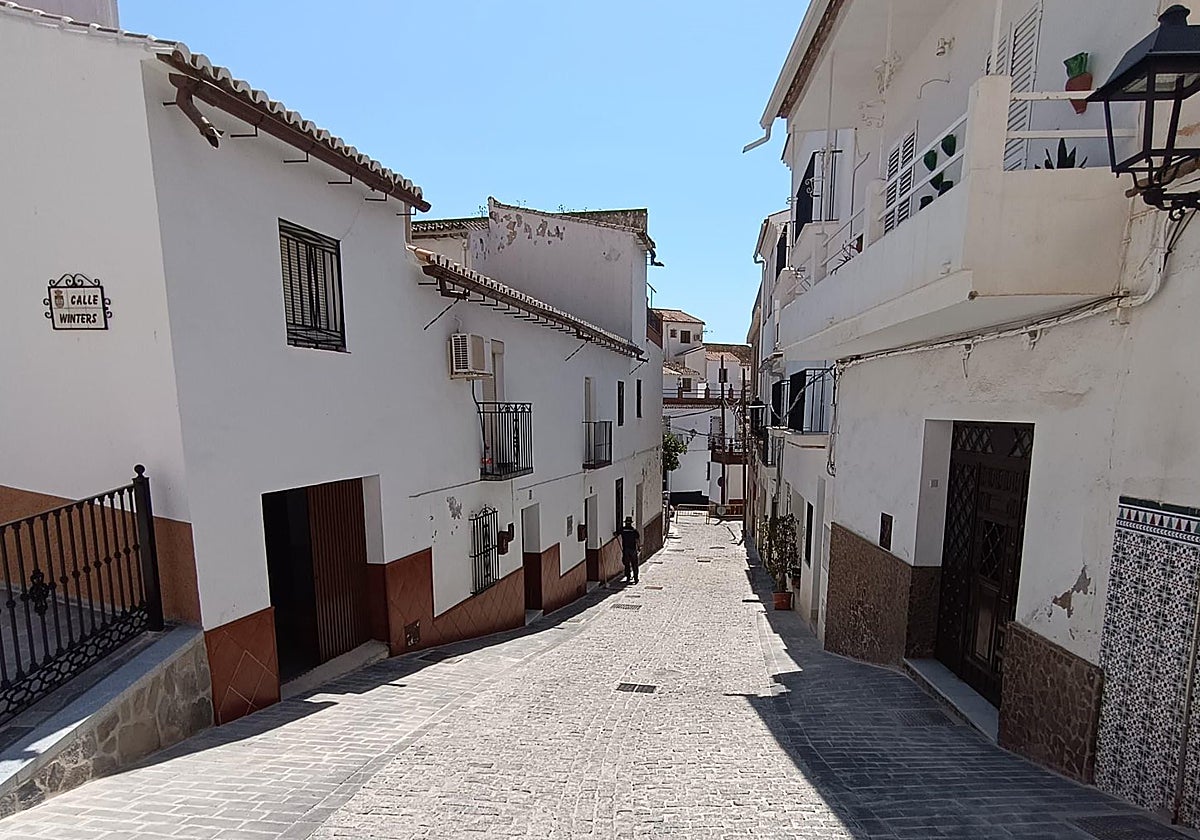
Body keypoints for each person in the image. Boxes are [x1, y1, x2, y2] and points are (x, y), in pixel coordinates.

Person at [617, 516, 641, 584]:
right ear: (631, 523)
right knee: (634, 564)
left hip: (626, 549)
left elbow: (616, 533)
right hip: (633, 549)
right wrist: (639, 547)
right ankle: (636, 578)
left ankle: (628, 577)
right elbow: (637, 540)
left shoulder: (623, 530)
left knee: (627, 564)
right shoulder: (634, 531)